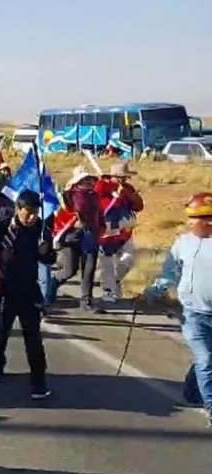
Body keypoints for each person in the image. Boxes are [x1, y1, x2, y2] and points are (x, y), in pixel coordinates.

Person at [142, 192, 212, 426]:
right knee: (206, 359)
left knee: (207, 360)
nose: (192, 223)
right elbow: (170, 274)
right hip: (192, 313)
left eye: (198, 218)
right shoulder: (183, 243)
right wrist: (153, 292)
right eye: (190, 218)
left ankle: (192, 392)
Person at [0, 190, 55, 399]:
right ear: (18, 209)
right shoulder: (0, 228)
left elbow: (49, 259)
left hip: (28, 291)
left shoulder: (41, 230)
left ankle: (38, 383)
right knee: (1, 332)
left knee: (33, 338)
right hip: (4, 290)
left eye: (35, 212)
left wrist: (46, 253)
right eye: (28, 212)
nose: (32, 217)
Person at [51, 166, 104, 313]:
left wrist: (101, 226)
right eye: (84, 179)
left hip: (90, 234)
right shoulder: (68, 196)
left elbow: (99, 213)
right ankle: (51, 286)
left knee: (89, 268)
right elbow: (63, 214)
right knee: (69, 270)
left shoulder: (94, 195)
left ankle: (86, 300)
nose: (88, 181)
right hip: (72, 235)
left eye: (89, 179)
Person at [96, 162, 144, 302]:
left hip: (125, 231)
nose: (124, 180)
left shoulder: (128, 188)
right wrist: (114, 193)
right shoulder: (101, 187)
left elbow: (139, 206)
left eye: (125, 177)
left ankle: (114, 281)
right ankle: (108, 291)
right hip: (107, 230)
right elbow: (100, 203)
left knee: (128, 259)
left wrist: (127, 194)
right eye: (120, 177)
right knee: (108, 262)